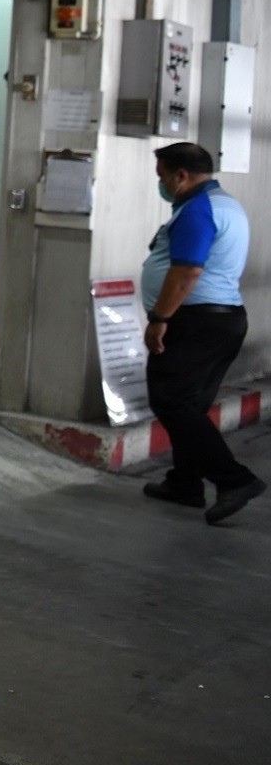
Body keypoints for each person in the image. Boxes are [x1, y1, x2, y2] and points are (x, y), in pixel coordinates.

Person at [139, 141, 262, 526]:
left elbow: (187, 271)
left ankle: (234, 480)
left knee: (171, 399)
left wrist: (159, 317)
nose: (162, 185)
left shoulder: (198, 209)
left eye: (163, 178)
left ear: (181, 175)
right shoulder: (226, 204)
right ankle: (184, 483)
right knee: (189, 406)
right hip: (223, 321)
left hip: (195, 321)